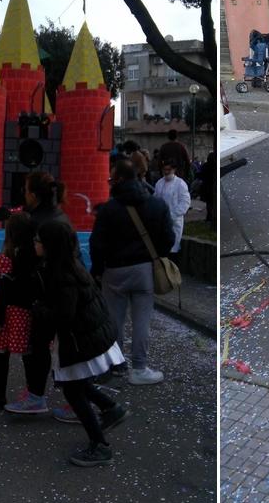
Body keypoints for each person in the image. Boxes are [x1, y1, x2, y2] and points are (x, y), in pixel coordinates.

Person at [35, 219, 128, 467]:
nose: (35, 244)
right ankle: (110, 408)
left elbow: (64, 315)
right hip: (88, 337)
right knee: (78, 384)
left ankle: (100, 445)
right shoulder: (70, 265)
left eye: (38, 240)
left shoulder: (60, 275)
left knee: (73, 390)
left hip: (78, 340)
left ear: (49, 245)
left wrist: (39, 310)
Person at [90, 161, 174, 385]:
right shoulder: (157, 205)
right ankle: (139, 368)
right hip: (144, 269)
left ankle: (115, 365)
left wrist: (97, 271)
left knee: (113, 320)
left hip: (114, 270)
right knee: (142, 321)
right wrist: (155, 256)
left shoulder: (108, 210)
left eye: (110, 180)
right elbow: (168, 238)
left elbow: (96, 244)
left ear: (117, 181)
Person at [3, 172, 73, 415]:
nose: (23, 193)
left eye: (25, 190)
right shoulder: (60, 215)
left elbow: (27, 262)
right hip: (62, 289)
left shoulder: (36, 221)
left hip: (42, 293)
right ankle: (57, 398)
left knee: (37, 346)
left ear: (33, 193)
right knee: (60, 347)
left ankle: (37, 396)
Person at [0, 212, 39, 409]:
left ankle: (1, 394)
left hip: (10, 311)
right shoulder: (34, 253)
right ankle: (34, 394)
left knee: (3, 352)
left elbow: (3, 292)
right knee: (28, 353)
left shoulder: (7, 256)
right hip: (29, 310)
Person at [153, 159, 191, 256]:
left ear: (174, 170)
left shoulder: (180, 184)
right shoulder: (159, 183)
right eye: (164, 170)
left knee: (173, 248)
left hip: (174, 221)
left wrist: (172, 215)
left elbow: (185, 202)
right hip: (160, 221)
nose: (166, 172)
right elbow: (155, 199)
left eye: (168, 170)